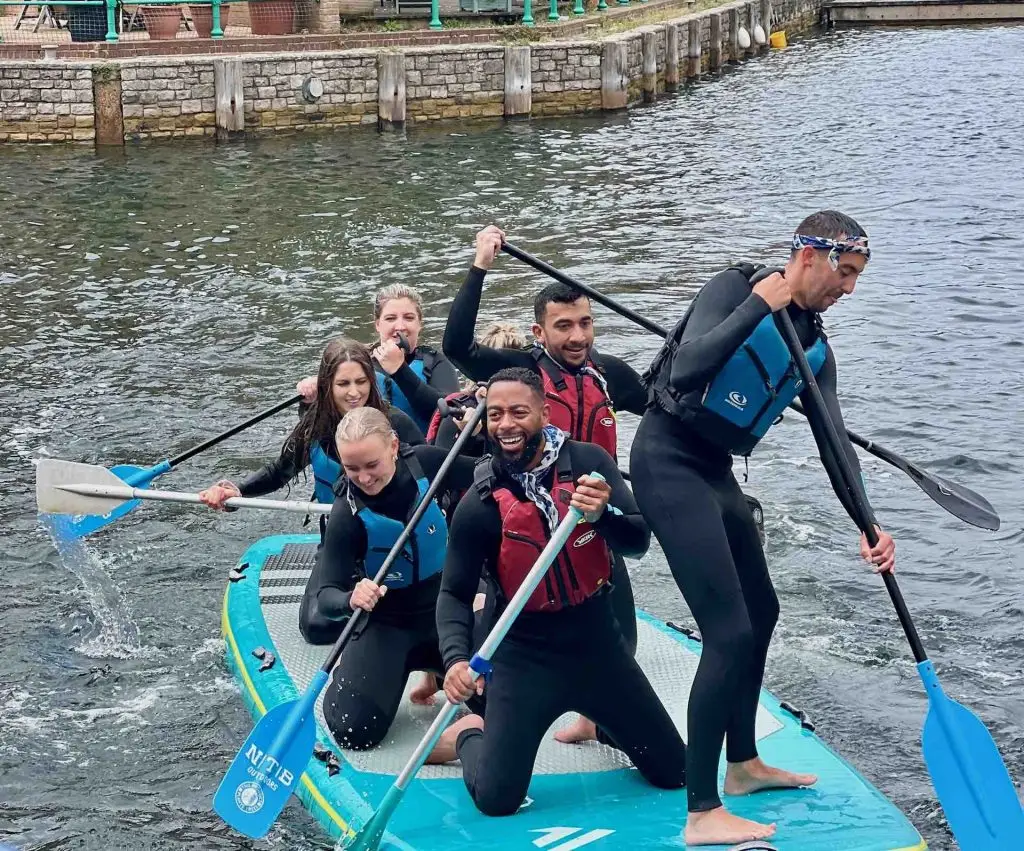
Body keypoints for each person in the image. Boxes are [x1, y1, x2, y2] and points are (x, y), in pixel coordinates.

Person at [631, 211, 897, 846]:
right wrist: (756, 305)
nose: (850, 289)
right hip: (666, 461)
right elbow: (685, 371)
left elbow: (835, 444)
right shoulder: (735, 288)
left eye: (858, 277)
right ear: (810, 254)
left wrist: (869, 524)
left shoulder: (815, 344)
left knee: (764, 611)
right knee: (727, 632)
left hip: (715, 469)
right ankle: (701, 812)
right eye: (846, 272)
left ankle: (744, 764)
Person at [429, 368, 687, 816]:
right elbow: (454, 593)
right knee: (497, 801)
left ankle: (602, 724)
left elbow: (638, 541)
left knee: (675, 773)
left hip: (596, 645)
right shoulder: (480, 503)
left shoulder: (589, 464)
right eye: (495, 415)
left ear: (544, 413)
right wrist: (454, 660)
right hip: (524, 656)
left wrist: (602, 516)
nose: (505, 425)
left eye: (518, 412)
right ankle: (471, 732)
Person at [442, 227, 644, 742]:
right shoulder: (521, 372)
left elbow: (666, 407)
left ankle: (592, 718)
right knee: (500, 641)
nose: (577, 337)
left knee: (625, 634)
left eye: (585, 323)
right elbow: (456, 344)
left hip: (590, 518)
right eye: (563, 326)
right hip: (522, 521)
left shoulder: (608, 374)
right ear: (540, 331)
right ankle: (477, 723)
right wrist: (479, 267)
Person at [314, 407, 477, 742]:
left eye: (372, 464)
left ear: (393, 446)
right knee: (354, 732)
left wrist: (481, 434)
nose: (364, 478)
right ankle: (355, 669)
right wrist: (350, 598)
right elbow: (325, 596)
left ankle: (436, 671)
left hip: (445, 616)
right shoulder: (346, 513)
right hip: (387, 624)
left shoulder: (429, 464)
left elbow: (492, 474)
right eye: (352, 468)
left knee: (502, 696)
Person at [199, 338, 423, 549]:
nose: (354, 392)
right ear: (328, 386)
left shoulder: (396, 424)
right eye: (343, 383)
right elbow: (279, 472)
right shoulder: (315, 426)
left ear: (371, 382)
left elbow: (431, 480)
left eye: (361, 382)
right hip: (338, 543)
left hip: (396, 542)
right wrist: (236, 492)